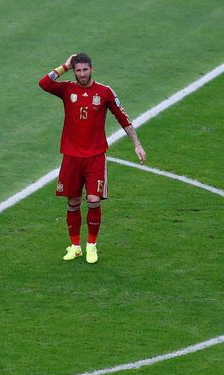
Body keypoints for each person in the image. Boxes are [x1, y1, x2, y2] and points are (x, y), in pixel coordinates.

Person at [39, 53, 146, 263]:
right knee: (73, 202)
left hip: (95, 156)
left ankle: (92, 246)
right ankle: (75, 246)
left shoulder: (104, 92)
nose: (81, 74)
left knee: (93, 200)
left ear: (92, 69)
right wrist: (64, 66)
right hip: (71, 156)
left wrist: (137, 143)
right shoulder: (67, 89)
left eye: (84, 70)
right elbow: (44, 83)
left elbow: (123, 117)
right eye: (77, 70)